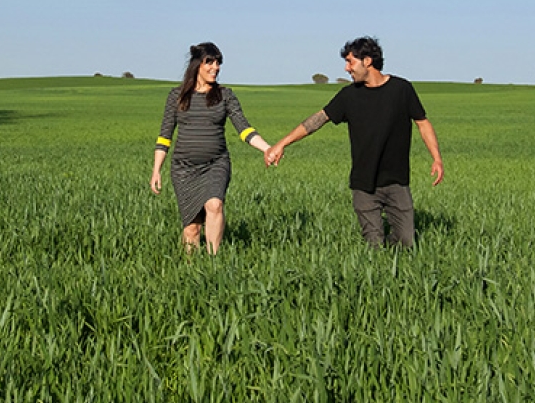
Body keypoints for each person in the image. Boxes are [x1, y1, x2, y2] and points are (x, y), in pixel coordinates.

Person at [265, 36, 444, 248]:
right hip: (364, 185)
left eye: (350, 62)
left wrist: (437, 158)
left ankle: (395, 275)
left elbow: (422, 123)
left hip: (397, 182)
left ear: (367, 61)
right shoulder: (349, 96)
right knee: (374, 246)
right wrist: (282, 143)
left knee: (406, 242)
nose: (346, 68)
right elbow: (318, 120)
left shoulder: (401, 89)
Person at [151, 42, 269, 254]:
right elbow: (165, 135)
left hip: (215, 164)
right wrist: (156, 170)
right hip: (184, 168)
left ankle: (214, 262)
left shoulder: (225, 96)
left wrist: (267, 148)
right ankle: (192, 272)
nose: (216, 67)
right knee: (192, 228)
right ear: (197, 65)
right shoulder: (176, 96)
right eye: (210, 62)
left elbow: (244, 129)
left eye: (218, 63)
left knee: (215, 205)